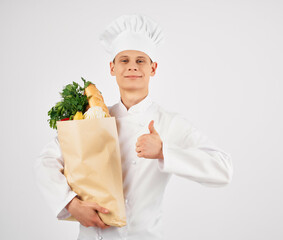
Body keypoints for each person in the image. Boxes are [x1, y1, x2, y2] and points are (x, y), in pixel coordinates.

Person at [34, 14, 233, 240]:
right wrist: (70, 203)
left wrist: (163, 152)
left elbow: (223, 169)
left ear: (153, 68)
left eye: (140, 61)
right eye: (124, 60)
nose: (132, 67)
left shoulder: (169, 122)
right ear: (112, 67)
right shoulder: (92, 118)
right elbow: (45, 162)